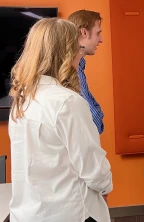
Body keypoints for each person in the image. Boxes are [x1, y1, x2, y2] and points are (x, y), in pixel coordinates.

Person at [8, 18, 112, 222]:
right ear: (66, 52)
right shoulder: (68, 102)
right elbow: (94, 170)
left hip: (27, 214)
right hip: (70, 213)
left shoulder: (21, 100)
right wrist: (105, 186)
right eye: (77, 49)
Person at [68, 10, 105, 134]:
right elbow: (92, 121)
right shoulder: (70, 69)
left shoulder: (79, 65)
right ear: (84, 32)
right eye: (98, 33)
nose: (101, 40)